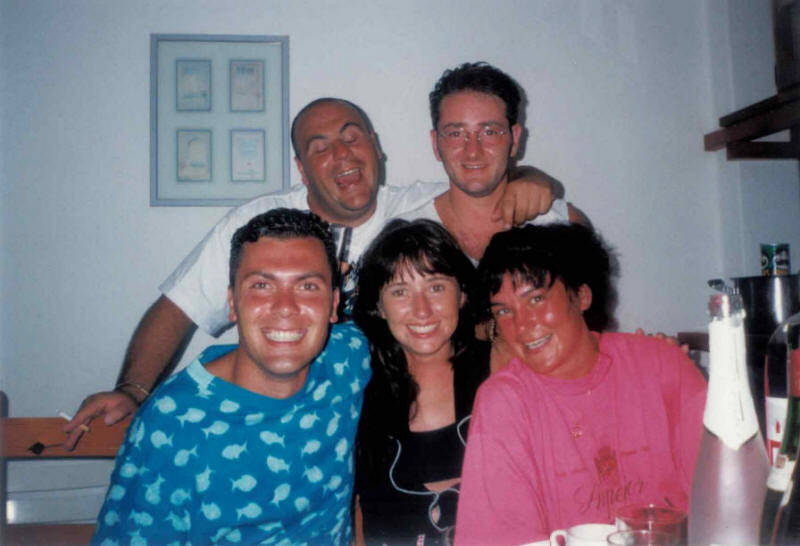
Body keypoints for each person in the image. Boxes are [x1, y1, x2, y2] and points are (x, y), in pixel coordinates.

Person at [64, 96, 561, 447]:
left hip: (394, 423)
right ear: (301, 169)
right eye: (320, 147)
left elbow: (508, 199)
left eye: (351, 137)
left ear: (376, 148)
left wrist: (530, 178)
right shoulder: (262, 224)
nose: (341, 154)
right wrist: (132, 391)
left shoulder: (422, 210)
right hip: (286, 425)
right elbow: (179, 307)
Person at [91, 209, 370, 545]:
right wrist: (131, 390)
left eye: (308, 286)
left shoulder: (347, 359)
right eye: (262, 285)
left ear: (334, 303)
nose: (285, 306)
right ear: (232, 303)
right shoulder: (174, 424)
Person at [454, 224, 706, 545]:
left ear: (582, 296)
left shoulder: (662, 367)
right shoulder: (503, 403)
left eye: (536, 299)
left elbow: (724, 503)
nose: (522, 325)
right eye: (504, 311)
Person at [352, 219, 489, 545]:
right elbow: (359, 510)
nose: (422, 310)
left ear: (462, 295)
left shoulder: (500, 372)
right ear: (378, 306)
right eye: (400, 292)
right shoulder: (357, 391)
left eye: (436, 287)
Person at [400, 62, 587, 262]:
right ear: (435, 144)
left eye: (489, 132)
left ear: (515, 139)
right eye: (455, 133)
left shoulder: (562, 227)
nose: (473, 151)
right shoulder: (404, 236)